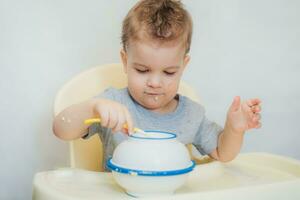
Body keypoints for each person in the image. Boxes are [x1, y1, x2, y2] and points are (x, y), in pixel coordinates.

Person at [53, 0, 262, 171]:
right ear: (125, 62)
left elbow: (222, 153)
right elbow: (60, 129)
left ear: (183, 66)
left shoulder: (191, 114)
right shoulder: (112, 104)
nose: (154, 83)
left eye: (169, 72)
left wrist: (235, 129)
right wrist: (93, 107)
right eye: (142, 70)